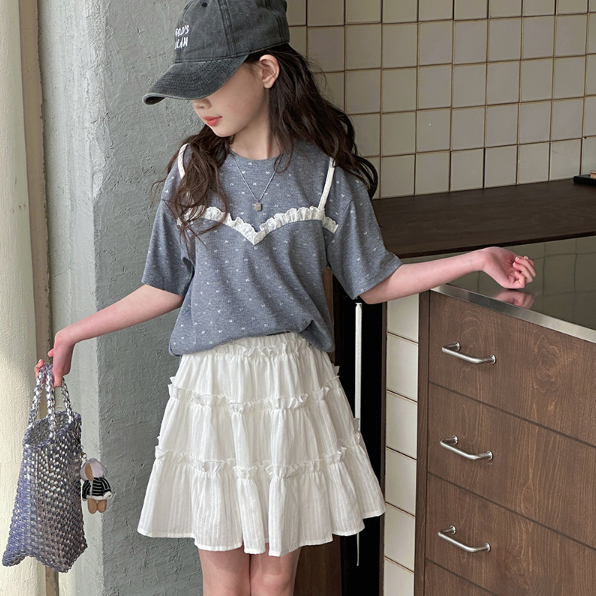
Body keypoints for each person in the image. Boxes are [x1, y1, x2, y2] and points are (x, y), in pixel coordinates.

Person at [36, 1, 536, 594]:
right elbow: (163, 286)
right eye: (190, 90)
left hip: (292, 387)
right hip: (213, 388)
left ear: (266, 70)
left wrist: (476, 258)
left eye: (211, 83)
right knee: (224, 578)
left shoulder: (326, 178)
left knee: (275, 580)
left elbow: (374, 281)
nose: (199, 103)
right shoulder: (192, 170)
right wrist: (73, 333)